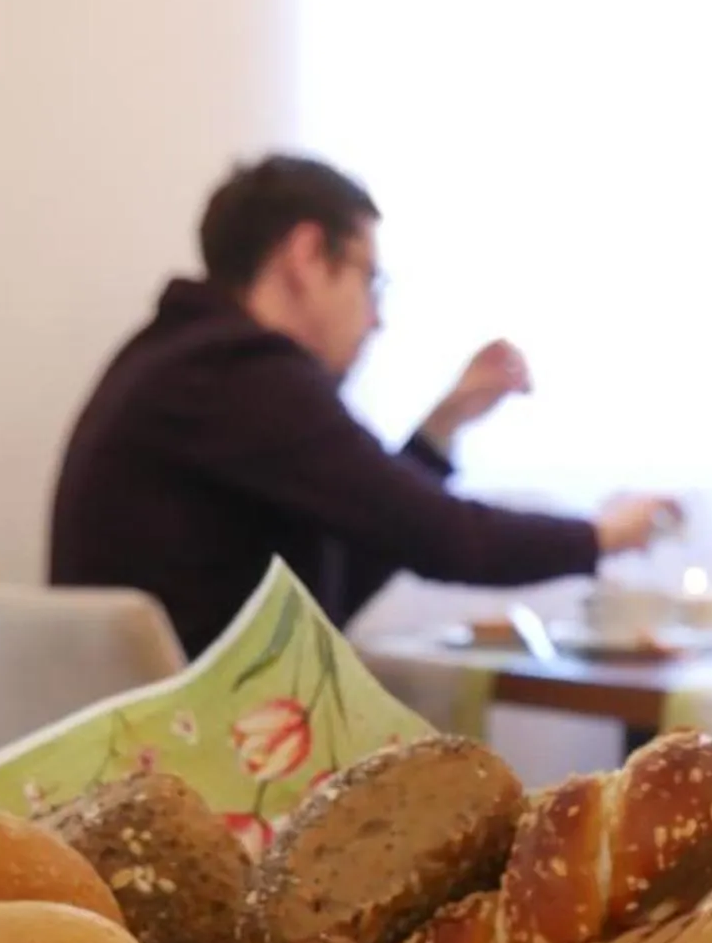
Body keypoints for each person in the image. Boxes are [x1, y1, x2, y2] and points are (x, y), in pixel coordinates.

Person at [51, 154, 677, 653]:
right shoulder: (241, 372)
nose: (375, 317)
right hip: (204, 766)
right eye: (368, 278)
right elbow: (443, 537)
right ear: (305, 256)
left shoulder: (177, 361)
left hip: (147, 764)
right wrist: (605, 533)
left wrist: (440, 429)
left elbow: (359, 560)